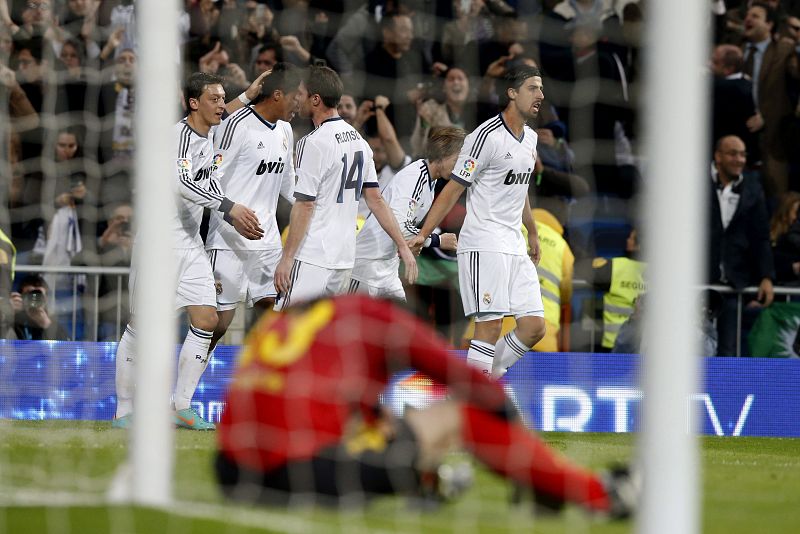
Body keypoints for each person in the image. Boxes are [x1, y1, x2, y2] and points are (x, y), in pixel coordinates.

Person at [215, 294, 637, 518]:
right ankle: (598, 494)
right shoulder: (387, 321)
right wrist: (510, 425)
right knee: (458, 413)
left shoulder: (318, 317)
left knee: (393, 424)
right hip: (296, 468)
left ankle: (428, 484)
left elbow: (366, 422)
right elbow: (472, 385)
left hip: (231, 471)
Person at [112, 72, 264, 431]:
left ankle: (180, 405)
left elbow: (206, 181)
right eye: (214, 99)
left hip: (190, 244)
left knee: (207, 320)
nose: (221, 106)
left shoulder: (208, 141)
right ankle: (124, 410)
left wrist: (249, 94)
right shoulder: (176, 136)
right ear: (194, 102)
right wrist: (229, 207)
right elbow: (180, 183)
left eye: (223, 98)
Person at [408, 65, 547, 378]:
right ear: (512, 93)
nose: (541, 95)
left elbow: (520, 187)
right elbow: (453, 189)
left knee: (534, 327)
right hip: (483, 242)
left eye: (540, 88)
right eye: (533, 88)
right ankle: (473, 406)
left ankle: (473, 387)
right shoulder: (484, 137)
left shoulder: (531, 139)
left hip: (514, 243)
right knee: (490, 325)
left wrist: (533, 232)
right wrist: (424, 232)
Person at [273, 65, 417, 309]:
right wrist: (402, 246)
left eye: (301, 93)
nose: (298, 98)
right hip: (343, 258)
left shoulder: (313, 142)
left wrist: (286, 259)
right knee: (324, 332)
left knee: (290, 329)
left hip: (313, 256)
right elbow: (376, 200)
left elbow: (306, 204)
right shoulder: (359, 141)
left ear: (315, 99)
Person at [205, 63, 301, 352]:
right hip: (227, 240)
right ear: (277, 95)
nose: (300, 103)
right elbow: (210, 179)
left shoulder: (285, 130)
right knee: (217, 325)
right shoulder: (236, 126)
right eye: (296, 95)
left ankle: (267, 387)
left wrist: (316, 209)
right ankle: (181, 391)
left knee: (276, 317)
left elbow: (289, 186)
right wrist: (232, 211)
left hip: (267, 241)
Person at [349, 127, 464, 301]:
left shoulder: (430, 183)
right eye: (457, 159)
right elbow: (401, 226)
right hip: (368, 265)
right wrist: (437, 240)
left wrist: (415, 243)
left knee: (401, 325)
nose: (460, 166)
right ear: (441, 154)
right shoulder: (415, 177)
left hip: (388, 267)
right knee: (352, 323)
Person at [708, 135, 775, 356]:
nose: (739, 159)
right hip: (698, 282)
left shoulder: (753, 189)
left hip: (733, 284)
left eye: (743, 154)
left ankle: (723, 391)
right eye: (733, 153)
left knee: (729, 352)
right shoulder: (694, 184)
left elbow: (761, 237)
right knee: (694, 350)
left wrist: (766, 276)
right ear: (718, 157)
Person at [11, 273, 69, 341]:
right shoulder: (11, 320)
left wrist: (46, 324)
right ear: (20, 297)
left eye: (39, 295)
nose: (34, 298)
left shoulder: (51, 324)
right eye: (29, 294)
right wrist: (7, 314)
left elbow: (65, 347)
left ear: (46, 299)